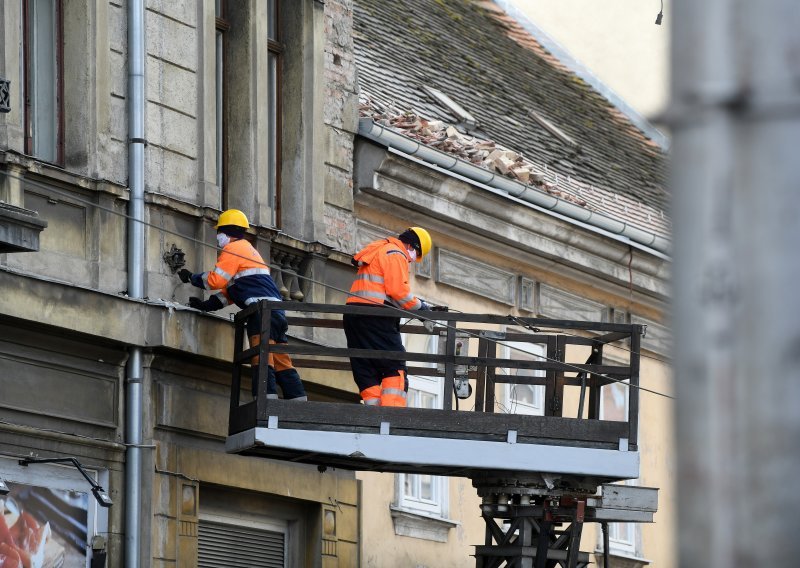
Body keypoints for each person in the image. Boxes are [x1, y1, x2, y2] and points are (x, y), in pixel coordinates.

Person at [178, 209, 306, 401]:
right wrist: (205, 305)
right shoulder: (248, 251)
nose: (217, 236)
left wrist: (191, 278)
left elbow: (216, 281)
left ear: (227, 231)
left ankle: (266, 402)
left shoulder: (233, 249)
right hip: (276, 314)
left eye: (219, 231)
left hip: (260, 313)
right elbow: (230, 292)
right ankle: (298, 401)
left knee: (262, 358)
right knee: (281, 359)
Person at [342, 227, 433, 407]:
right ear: (411, 246)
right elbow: (398, 291)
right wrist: (423, 310)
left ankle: (373, 410)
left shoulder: (379, 250)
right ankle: (392, 414)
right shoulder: (396, 253)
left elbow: (384, 290)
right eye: (416, 254)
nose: (412, 259)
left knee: (365, 366)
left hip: (353, 315)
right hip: (376, 316)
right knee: (394, 366)